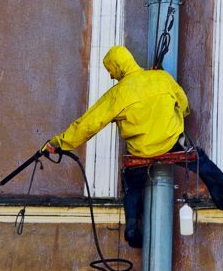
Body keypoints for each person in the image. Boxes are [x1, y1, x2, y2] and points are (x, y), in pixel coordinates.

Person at [45, 45, 193, 248]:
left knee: (132, 184)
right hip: (169, 144)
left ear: (117, 65)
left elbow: (88, 124)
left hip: (140, 153)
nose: (111, 76)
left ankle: (132, 227)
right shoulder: (159, 78)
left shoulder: (119, 93)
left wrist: (58, 143)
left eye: (110, 70)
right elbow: (184, 106)